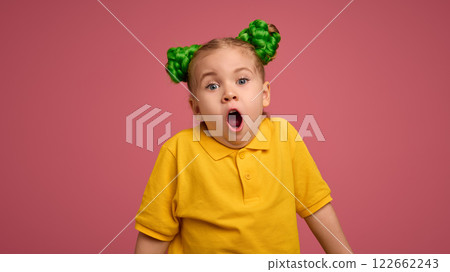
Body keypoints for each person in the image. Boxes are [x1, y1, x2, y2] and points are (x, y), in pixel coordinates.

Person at [134, 19, 352, 254]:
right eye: (212, 86)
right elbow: (154, 233)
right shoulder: (178, 151)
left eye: (242, 81)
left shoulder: (285, 137)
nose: (229, 93)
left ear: (265, 94)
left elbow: (316, 207)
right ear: (196, 108)